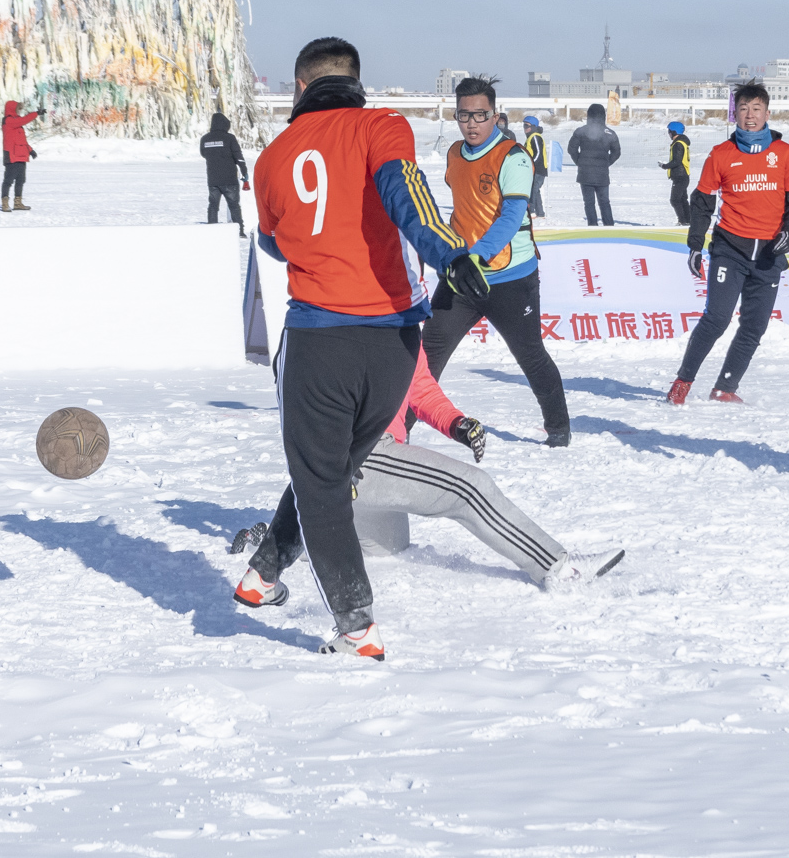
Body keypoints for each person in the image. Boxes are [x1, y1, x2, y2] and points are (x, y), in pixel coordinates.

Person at [233, 36, 487, 662]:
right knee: (333, 471)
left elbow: (272, 242)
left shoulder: (271, 159)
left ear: (299, 88)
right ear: (356, 81)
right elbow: (410, 201)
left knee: (320, 485)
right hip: (397, 347)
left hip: (323, 340)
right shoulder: (385, 126)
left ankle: (356, 629)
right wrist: (449, 255)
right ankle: (263, 575)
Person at [338, 322, 624, 585]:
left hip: (377, 451)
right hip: (359, 454)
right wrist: (334, 456)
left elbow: (420, 387)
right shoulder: (345, 322)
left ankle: (299, 542)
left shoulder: (404, 325)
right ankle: (558, 570)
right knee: (470, 488)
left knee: (388, 549)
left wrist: (456, 423)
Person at [423, 76, 572, 447]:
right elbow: (463, 211)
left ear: (495, 115)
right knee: (424, 358)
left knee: (530, 356)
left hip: (509, 277)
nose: (472, 123)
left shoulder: (514, 156)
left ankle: (558, 429)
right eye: (464, 115)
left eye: (480, 115)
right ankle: (394, 433)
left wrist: (476, 255)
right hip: (462, 278)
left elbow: (511, 217)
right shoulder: (454, 153)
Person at [665, 81, 789, 405]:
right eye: (743, 109)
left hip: (769, 255)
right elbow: (702, 202)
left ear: (767, 113)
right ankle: (682, 382)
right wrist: (696, 244)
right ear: (735, 113)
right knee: (716, 318)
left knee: (754, 326)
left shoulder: (783, 154)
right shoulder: (721, 154)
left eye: (756, 109)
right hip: (731, 249)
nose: (750, 116)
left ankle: (725, 387)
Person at [567, 104, 620, 226]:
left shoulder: (580, 131)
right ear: (603, 116)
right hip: (602, 174)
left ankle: (592, 226)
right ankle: (609, 226)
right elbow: (616, 152)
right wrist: (606, 163)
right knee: (605, 202)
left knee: (589, 203)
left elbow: (571, 149)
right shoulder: (610, 133)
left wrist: (579, 162)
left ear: (589, 115)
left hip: (585, 174)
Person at [199, 110, 249, 234]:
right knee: (234, 206)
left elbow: (203, 154)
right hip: (229, 179)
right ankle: (239, 231)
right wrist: (244, 172)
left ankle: (212, 229)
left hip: (213, 180)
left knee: (213, 205)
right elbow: (238, 156)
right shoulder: (229, 138)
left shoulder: (205, 139)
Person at [0, 100, 42, 211]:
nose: (19, 111)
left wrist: (30, 150)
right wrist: (36, 113)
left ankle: (18, 203)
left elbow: (21, 140)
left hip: (21, 156)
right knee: (8, 180)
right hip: (12, 156)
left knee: (20, 180)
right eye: (18, 109)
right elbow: (24, 120)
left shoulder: (17, 123)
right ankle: (5, 203)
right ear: (12, 109)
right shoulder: (8, 121)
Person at [656, 120, 691, 224]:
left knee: (675, 200)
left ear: (674, 132)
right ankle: (688, 221)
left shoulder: (678, 144)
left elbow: (677, 161)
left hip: (680, 176)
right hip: (683, 175)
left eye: (670, 131)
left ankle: (683, 221)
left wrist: (665, 166)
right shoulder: (681, 142)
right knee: (682, 200)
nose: (669, 134)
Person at [520, 115, 548, 218]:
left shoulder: (535, 136)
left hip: (538, 169)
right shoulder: (530, 138)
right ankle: (540, 213)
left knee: (533, 190)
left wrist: (532, 165)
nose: (525, 128)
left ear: (533, 127)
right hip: (534, 169)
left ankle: (531, 211)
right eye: (524, 126)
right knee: (535, 191)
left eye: (527, 126)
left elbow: (538, 153)